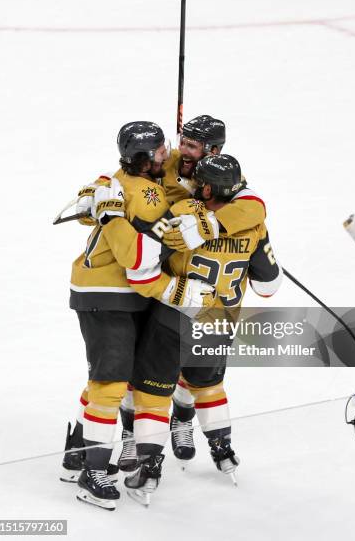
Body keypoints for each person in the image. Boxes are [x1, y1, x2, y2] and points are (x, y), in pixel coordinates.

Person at [98, 154, 283, 504]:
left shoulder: (183, 212)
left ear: (207, 187)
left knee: (151, 393)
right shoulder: (253, 224)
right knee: (208, 384)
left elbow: (141, 264)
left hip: (174, 318)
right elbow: (269, 286)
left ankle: (148, 468)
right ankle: (223, 451)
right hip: (220, 322)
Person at [65, 121, 216, 511]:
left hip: (125, 296)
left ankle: (77, 452)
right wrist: (181, 288)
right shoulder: (137, 189)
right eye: (161, 151)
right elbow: (139, 262)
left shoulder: (134, 180)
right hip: (107, 292)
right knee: (112, 380)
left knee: (111, 378)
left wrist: (194, 205)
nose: (169, 155)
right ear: (144, 158)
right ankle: (92, 472)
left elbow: (149, 188)